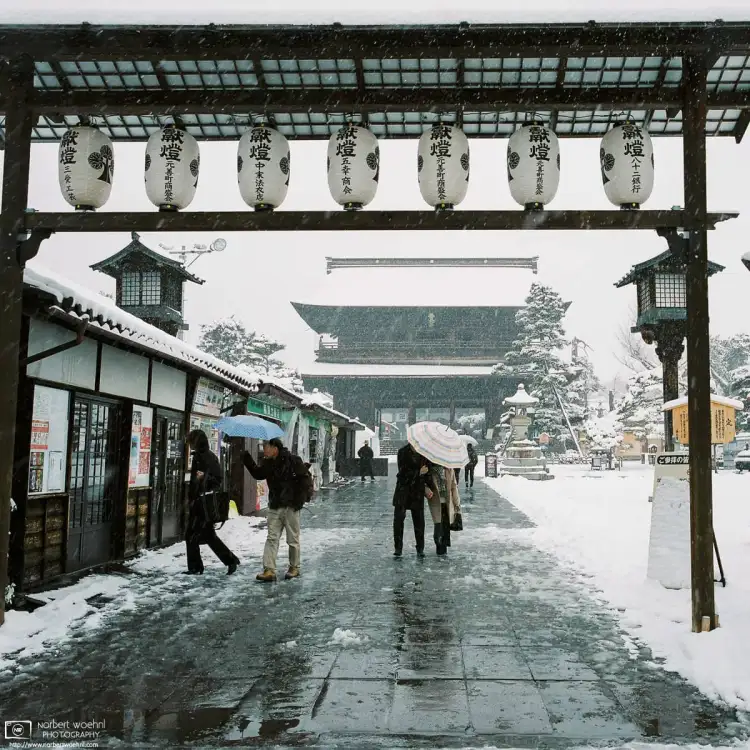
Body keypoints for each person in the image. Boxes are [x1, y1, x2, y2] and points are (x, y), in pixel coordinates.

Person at [244, 437, 308, 582]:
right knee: (272, 538)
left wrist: (299, 501)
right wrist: (246, 457)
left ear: (275, 448)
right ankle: (269, 570)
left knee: (293, 539)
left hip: (291, 506)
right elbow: (258, 474)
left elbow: (304, 480)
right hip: (275, 506)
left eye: (265, 446)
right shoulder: (268, 463)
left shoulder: (293, 460)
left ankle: (294, 567)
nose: (263, 450)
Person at [184, 429, 240, 575]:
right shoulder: (199, 457)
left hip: (203, 504)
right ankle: (230, 560)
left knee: (191, 535)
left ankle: (196, 567)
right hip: (198, 502)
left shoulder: (207, 457)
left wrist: (204, 478)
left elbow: (217, 481)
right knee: (207, 536)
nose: (189, 445)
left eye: (191, 441)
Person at [392, 443, 431, 558]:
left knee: (419, 521)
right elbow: (402, 472)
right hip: (403, 490)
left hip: (417, 491)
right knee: (398, 520)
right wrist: (418, 472)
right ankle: (398, 548)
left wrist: (429, 487)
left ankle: (420, 548)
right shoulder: (403, 452)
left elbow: (427, 473)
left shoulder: (424, 454)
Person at [427, 463, 461, 556]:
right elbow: (422, 483)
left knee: (445, 528)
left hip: (447, 502)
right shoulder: (429, 470)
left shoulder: (449, 469)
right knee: (438, 527)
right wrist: (426, 490)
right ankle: (439, 546)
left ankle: (443, 551)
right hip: (435, 502)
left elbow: (454, 487)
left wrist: (457, 504)